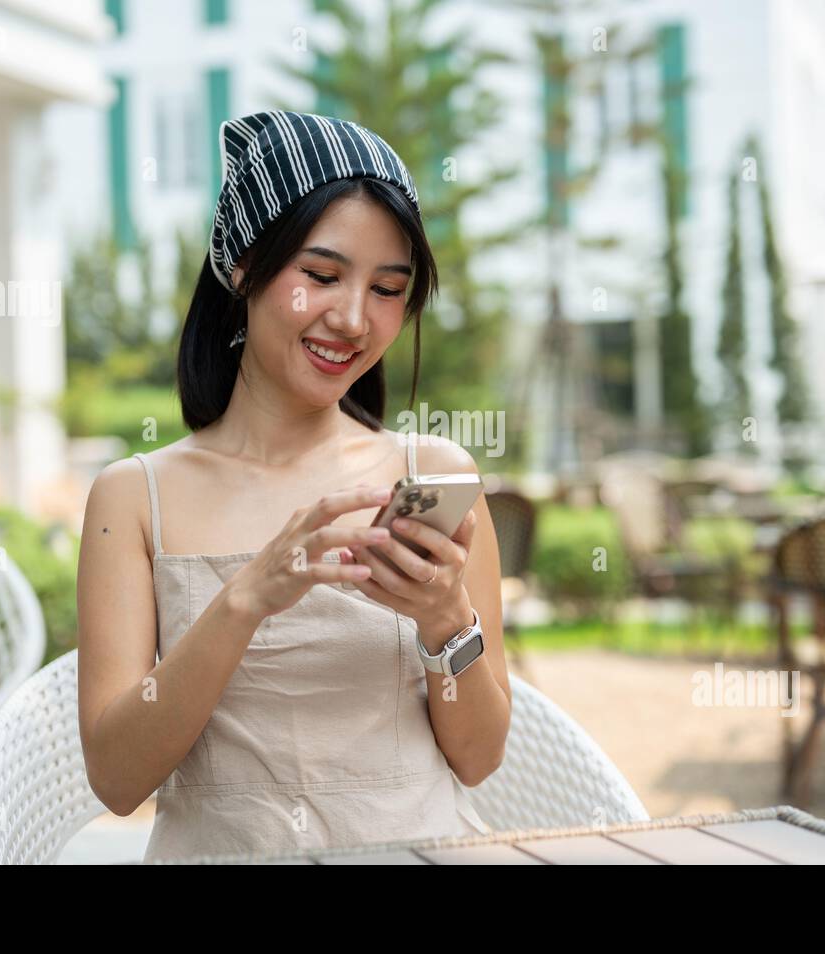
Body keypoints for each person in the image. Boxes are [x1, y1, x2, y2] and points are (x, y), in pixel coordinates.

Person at [76, 110, 510, 861]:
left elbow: (478, 758)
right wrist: (247, 598)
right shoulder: (134, 496)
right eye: (320, 275)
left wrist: (447, 620)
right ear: (244, 264)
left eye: (387, 288)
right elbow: (117, 780)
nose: (352, 319)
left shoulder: (432, 473)